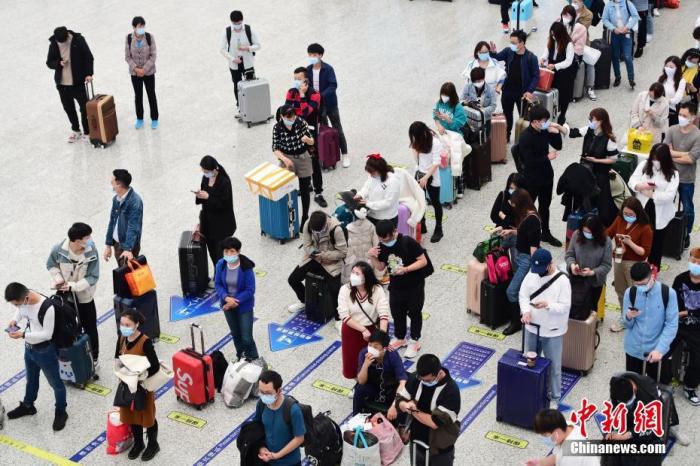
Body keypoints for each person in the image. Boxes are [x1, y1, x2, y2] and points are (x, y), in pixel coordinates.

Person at [4, 283, 68, 431]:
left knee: (56, 384)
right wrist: (14, 320)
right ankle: (28, 405)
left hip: (45, 351)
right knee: (31, 380)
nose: (17, 307)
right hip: (29, 349)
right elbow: (21, 311)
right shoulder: (24, 300)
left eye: (17, 304)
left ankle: (61, 411)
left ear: (25, 297)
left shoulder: (47, 308)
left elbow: (47, 334)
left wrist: (23, 335)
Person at [368, 220, 429, 359]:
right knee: (397, 313)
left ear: (394, 232)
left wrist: (406, 269)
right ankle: (400, 337)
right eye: (381, 239)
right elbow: (380, 267)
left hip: (415, 285)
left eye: (387, 238)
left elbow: (423, 261)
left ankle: (414, 340)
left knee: (414, 312)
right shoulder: (381, 246)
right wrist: (371, 256)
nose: (384, 241)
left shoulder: (407, 242)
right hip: (396, 286)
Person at [520, 248, 572, 408]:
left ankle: (555, 397)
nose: (538, 273)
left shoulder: (563, 281)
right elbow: (523, 295)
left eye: (541, 269)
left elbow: (565, 306)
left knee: (554, 366)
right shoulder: (532, 273)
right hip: (532, 327)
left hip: (553, 330)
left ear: (550, 265)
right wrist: (526, 311)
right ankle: (529, 391)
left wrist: (548, 305)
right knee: (529, 361)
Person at [46, 222, 100, 364]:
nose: (90, 239)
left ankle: (93, 357)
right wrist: (58, 279)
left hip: (84, 295)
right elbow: (51, 264)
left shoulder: (91, 251)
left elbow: (93, 277)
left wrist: (74, 286)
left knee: (90, 327)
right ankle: (66, 355)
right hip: (64, 295)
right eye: (87, 237)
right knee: (65, 325)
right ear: (77, 241)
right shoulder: (59, 250)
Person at [395, 354, 460, 466]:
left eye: (428, 380)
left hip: (439, 447)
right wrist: (404, 404)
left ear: (439, 373)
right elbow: (399, 400)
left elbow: (435, 422)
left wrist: (412, 411)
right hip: (416, 440)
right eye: (421, 379)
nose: (424, 382)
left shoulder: (451, 391)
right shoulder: (417, 378)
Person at [623, 262, 679, 385]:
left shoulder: (668, 294)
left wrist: (660, 349)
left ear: (652, 276)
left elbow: (672, 325)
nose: (640, 287)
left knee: (656, 387)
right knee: (633, 386)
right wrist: (628, 317)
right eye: (637, 284)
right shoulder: (630, 292)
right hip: (634, 349)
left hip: (656, 351)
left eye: (643, 284)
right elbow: (627, 325)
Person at [116, 310, 161, 460]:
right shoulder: (122, 338)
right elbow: (118, 357)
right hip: (127, 385)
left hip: (142, 386)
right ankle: (138, 443)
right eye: (122, 324)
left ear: (136, 324)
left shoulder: (145, 342)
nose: (123, 327)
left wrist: (140, 374)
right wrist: (120, 370)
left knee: (147, 416)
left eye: (127, 324)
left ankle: (153, 444)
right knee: (131, 415)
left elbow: (154, 366)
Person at [517, 105, 565, 247]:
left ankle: (546, 233)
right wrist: (547, 157)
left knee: (545, 206)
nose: (546, 122)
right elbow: (529, 161)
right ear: (535, 121)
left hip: (546, 176)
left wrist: (555, 132)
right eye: (544, 120)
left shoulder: (544, 131)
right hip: (532, 178)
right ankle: (524, 233)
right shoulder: (525, 137)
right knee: (528, 207)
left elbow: (559, 145)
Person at [606, 198, 654, 332]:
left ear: (638, 213)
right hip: (619, 260)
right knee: (621, 290)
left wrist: (630, 243)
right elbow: (608, 233)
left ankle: (637, 318)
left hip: (634, 264)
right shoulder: (620, 219)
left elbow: (644, 253)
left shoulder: (645, 228)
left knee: (635, 293)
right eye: (625, 213)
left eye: (631, 214)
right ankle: (624, 317)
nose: (628, 216)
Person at [628, 143, 679, 268]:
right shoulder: (645, 165)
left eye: (658, 159)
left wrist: (652, 194)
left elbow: (669, 196)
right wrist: (641, 186)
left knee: (657, 241)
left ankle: (653, 267)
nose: (655, 162)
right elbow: (632, 181)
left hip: (660, 211)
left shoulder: (673, 174)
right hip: (643, 207)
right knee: (638, 235)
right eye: (654, 158)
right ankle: (637, 263)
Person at [566, 107, 620, 226]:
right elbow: (573, 133)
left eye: (593, 119)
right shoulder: (589, 130)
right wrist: (560, 127)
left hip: (599, 174)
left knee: (599, 202)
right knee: (582, 200)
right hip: (585, 171)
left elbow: (613, 159)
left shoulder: (609, 138)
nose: (590, 121)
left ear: (600, 121)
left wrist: (596, 160)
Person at [287, 211, 348, 314]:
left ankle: (339, 317)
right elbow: (306, 245)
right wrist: (313, 252)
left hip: (332, 262)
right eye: (314, 231)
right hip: (313, 257)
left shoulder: (336, 229)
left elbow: (343, 252)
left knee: (334, 289)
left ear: (325, 224)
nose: (316, 233)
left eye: (319, 231)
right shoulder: (308, 224)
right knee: (293, 279)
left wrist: (324, 255)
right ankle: (304, 301)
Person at [499, 189, 542, 336]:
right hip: (521, 257)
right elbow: (524, 233)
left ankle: (516, 322)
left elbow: (534, 248)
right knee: (520, 289)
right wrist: (511, 232)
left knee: (511, 291)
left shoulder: (533, 220)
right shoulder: (528, 216)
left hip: (526, 261)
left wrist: (533, 271)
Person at [338, 261, 390, 379]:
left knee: (374, 358)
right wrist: (362, 329)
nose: (353, 276)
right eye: (352, 272)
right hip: (351, 330)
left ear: (366, 277)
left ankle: (371, 381)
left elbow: (383, 314)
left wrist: (381, 336)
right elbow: (344, 315)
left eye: (357, 273)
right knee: (352, 359)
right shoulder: (345, 289)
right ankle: (358, 382)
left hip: (373, 330)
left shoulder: (377, 289)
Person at [285, 67, 326, 207]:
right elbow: (287, 112)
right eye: (294, 78)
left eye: (299, 79)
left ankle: (319, 191)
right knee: (301, 160)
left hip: (310, 133)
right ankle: (306, 186)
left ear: (306, 80)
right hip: (295, 131)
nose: (296, 81)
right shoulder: (291, 92)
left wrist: (302, 97)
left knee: (314, 162)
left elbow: (305, 113)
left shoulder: (315, 95)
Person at [489, 30, 540, 142]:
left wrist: (530, 91)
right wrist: (492, 52)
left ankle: (523, 138)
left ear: (522, 43)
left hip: (522, 94)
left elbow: (536, 76)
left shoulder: (531, 58)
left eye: (514, 42)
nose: (511, 45)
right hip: (507, 90)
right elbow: (497, 57)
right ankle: (507, 135)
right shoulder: (509, 51)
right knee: (507, 114)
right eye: (510, 42)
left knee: (524, 117)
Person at [46, 26, 93, 143]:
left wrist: (88, 73)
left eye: (63, 41)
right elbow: (49, 62)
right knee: (69, 109)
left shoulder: (78, 40)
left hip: (78, 83)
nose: (61, 43)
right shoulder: (53, 44)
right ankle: (76, 130)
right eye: (59, 42)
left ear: (67, 35)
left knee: (84, 108)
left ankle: (87, 132)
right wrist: (58, 63)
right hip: (62, 85)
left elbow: (88, 56)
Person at [214, 237, 259, 362]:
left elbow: (250, 290)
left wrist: (234, 301)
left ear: (238, 251)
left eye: (232, 251)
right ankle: (241, 355)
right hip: (227, 305)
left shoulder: (246, 267)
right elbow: (218, 284)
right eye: (226, 252)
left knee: (246, 337)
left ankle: (254, 358)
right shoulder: (221, 265)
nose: (229, 254)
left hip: (244, 306)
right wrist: (226, 298)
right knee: (235, 334)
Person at [272, 105, 315, 230]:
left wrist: (308, 140)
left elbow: (312, 141)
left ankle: (305, 217)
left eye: (293, 116)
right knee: (285, 189)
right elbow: (275, 148)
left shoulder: (300, 122)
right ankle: (287, 218)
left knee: (305, 188)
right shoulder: (278, 128)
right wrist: (285, 159)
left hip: (302, 157)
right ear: (282, 117)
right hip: (286, 158)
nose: (291, 119)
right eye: (288, 117)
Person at [307, 43, 349, 168]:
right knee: (324, 129)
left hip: (330, 104)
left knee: (337, 128)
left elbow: (333, 85)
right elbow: (307, 85)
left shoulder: (328, 69)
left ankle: (345, 154)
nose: (311, 57)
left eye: (314, 55)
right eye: (310, 55)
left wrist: (321, 95)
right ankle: (328, 154)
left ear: (320, 55)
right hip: (317, 106)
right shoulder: (308, 69)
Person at [565, 214, 613, 318]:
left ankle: (589, 331)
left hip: (594, 284)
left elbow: (607, 265)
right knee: (573, 308)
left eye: (590, 232)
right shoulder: (577, 235)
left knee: (590, 309)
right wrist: (572, 265)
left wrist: (592, 272)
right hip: (576, 280)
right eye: (585, 231)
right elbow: (569, 255)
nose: (587, 234)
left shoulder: (606, 242)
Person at [255, 370, 306, 465]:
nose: (264, 395)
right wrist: (261, 448)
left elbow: (299, 438)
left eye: (268, 393)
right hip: (267, 460)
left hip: (289, 462)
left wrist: (276, 456)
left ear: (279, 391)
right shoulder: (261, 404)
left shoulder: (293, 410)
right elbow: (256, 427)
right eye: (261, 392)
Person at [668, 102, 700, 249]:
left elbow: (691, 159)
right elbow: (665, 151)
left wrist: (673, 155)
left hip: (686, 179)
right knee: (667, 204)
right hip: (669, 175)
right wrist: (685, 153)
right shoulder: (672, 130)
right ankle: (668, 231)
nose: (680, 117)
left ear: (693, 117)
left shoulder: (697, 135)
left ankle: (685, 234)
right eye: (680, 114)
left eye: (684, 116)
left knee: (687, 208)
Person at [195, 155, 236, 268]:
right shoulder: (205, 178)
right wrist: (199, 195)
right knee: (212, 252)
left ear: (214, 170)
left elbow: (224, 204)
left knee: (220, 254)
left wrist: (208, 197)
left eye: (206, 171)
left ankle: (221, 275)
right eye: (203, 170)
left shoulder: (224, 182)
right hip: (208, 224)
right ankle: (217, 272)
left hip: (221, 226)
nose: (204, 173)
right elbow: (203, 198)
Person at [671, 247, 700, 406]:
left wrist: (687, 313)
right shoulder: (680, 279)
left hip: (697, 327)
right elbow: (672, 301)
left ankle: (690, 386)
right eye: (693, 260)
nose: (695, 264)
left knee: (698, 357)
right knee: (663, 348)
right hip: (678, 323)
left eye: (699, 263)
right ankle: (661, 380)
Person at [356, 330, 408, 416]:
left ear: (384, 349)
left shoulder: (392, 355)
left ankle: (400, 425)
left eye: (376, 347)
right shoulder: (364, 353)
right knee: (359, 389)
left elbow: (402, 381)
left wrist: (394, 404)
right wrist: (365, 365)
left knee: (404, 394)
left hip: (390, 387)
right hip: (374, 385)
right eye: (370, 345)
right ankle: (356, 417)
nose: (371, 349)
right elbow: (361, 381)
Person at [409, 121, 445, 243]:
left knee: (435, 202)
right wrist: (414, 149)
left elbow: (436, 163)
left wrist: (426, 177)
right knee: (419, 200)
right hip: (419, 173)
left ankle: (439, 228)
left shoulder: (435, 142)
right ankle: (422, 223)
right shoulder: (417, 141)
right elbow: (416, 160)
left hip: (432, 175)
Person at [220, 10, 261, 115]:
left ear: (242, 20)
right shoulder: (227, 31)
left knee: (251, 83)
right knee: (237, 85)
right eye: (235, 23)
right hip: (234, 64)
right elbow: (222, 49)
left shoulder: (248, 29)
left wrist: (248, 48)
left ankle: (253, 105)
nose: (237, 25)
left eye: (239, 23)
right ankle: (240, 106)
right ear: (231, 21)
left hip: (248, 62)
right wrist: (233, 59)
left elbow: (258, 45)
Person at [527, 409, 600, 466]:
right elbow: (557, 456)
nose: (544, 439)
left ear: (557, 432)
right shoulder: (566, 426)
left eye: (545, 436)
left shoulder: (571, 454)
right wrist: (540, 462)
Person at [125, 16, 158, 130]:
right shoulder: (129, 38)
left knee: (151, 95)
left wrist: (144, 69)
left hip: (148, 73)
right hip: (135, 74)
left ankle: (154, 118)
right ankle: (140, 118)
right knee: (138, 96)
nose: (142, 28)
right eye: (139, 26)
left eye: (143, 26)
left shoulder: (149, 37)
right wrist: (136, 69)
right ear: (134, 27)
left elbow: (153, 56)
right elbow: (128, 57)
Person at [104, 169, 143, 264]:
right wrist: (108, 244)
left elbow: (133, 226)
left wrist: (128, 249)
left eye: (112, 182)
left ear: (119, 185)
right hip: (117, 244)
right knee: (122, 273)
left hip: (127, 247)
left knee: (128, 276)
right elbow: (112, 221)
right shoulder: (116, 199)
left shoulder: (135, 202)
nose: (111, 183)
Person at [540, 22, 576, 125]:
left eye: (555, 35)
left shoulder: (568, 44)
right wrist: (542, 59)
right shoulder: (551, 41)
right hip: (552, 72)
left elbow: (569, 61)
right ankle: (551, 112)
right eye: (551, 34)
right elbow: (546, 53)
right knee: (552, 92)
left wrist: (556, 66)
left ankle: (563, 115)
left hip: (565, 72)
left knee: (564, 95)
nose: (553, 36)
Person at [560, 4, 595, 103]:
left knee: (589, 64)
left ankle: (590, 87)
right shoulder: (559, 22)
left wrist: (566, 47)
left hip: (576, 51)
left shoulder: (585, 19)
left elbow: (578, 47)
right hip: (562, 51)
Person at [602, 0, 639, 89]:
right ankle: (617, 77)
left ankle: (631, 79)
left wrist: (627, 27)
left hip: (626, 34)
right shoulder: (608, 5)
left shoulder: (627, 3)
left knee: (627, 57)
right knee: (615, 56)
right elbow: (605, 19)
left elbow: (635, 16)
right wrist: (613, 28)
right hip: (615, 34)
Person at [355, 154, 401, 226]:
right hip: (371, 214)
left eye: (372, 172)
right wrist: (360, 194)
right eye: (369, 172)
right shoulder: (373, 175)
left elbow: (388, 203)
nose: (370, 175)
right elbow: (366, 187)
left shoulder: (393, 181)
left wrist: (368, 203)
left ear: (380, 169)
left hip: (386, 219)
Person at [570, 0, 598, 101]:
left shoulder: (588, 14)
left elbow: (581, 28)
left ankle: (590, 87)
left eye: (576, 1)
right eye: (573, 1)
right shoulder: (569, 10)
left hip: (582, 42)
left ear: (582, 2)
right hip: (569, 42)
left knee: (590, 64)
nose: (574, 3)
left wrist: (571, 18)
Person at [461, 67, 498, 137]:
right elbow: (460, 100)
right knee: (470, 137)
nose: (478, 83)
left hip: (485, 119)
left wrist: (481, 111)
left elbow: (493, 105)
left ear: (484, 78)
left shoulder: (490, 90)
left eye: (479, 81)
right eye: (475, 82)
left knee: (485, 138)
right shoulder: (468, 87)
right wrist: (468, 103)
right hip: (470, 119)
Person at [658, 56, 687, 126]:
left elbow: (677, 99)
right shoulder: (662, 78)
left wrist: (666, 100)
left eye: (671, 67)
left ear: (677, 68)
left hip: (672, 111)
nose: (668, 68)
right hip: (660, 109)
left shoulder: (681, 81)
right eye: (666, 66)